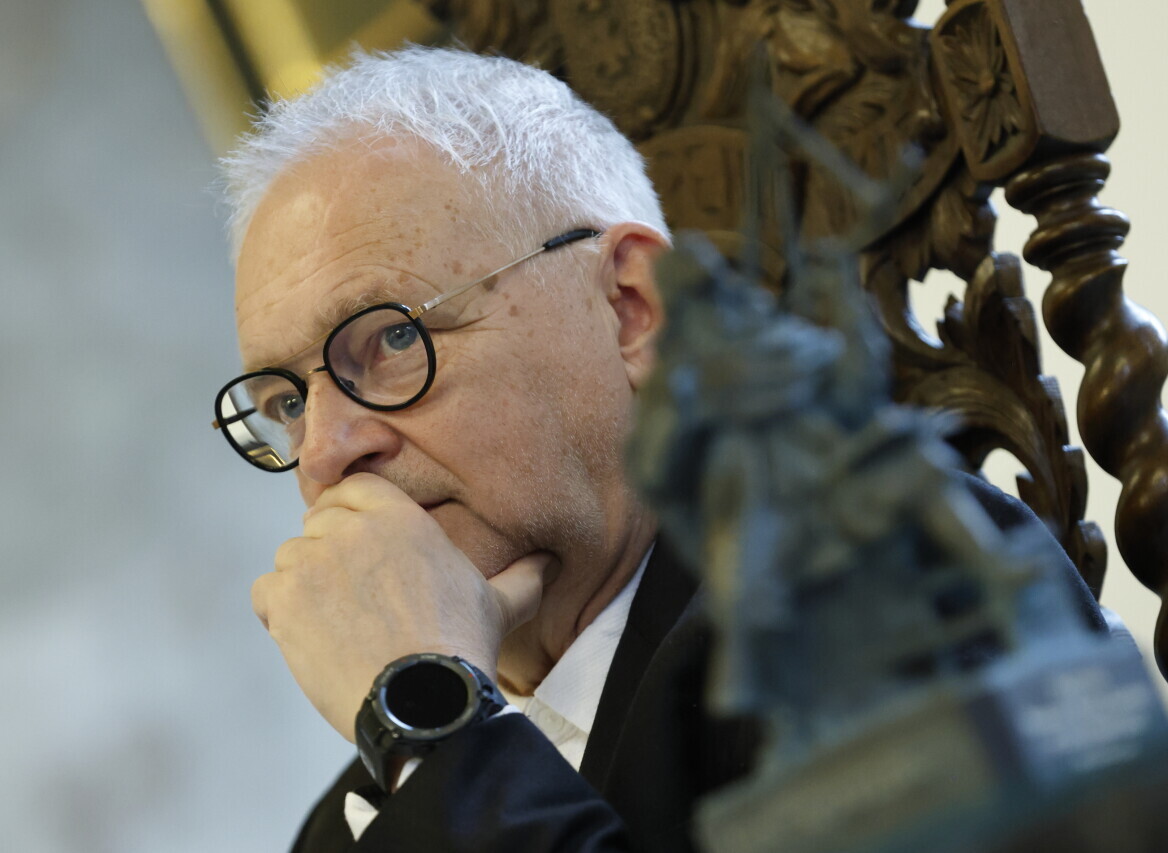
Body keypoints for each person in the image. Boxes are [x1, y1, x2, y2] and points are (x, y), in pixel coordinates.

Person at [211, 46, 1106, 852]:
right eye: (286, 402)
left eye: (393, 337)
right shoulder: (352, 823)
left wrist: (435, 730)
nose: (324, 453)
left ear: (630, 308)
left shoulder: (897, 589)